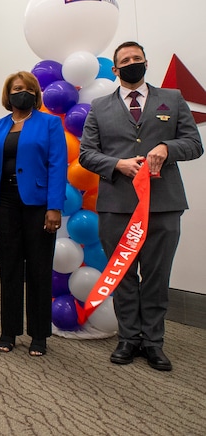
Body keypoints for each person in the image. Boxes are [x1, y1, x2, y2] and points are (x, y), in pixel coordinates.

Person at [79, 41, 203, 371]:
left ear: (146, 63)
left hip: (163, 205)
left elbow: (194, 144)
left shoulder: (172, 99)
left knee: (156, 276)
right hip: (116, 207)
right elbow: (86, 154)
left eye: (138, 58)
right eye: (126, 60)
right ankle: (128, 338)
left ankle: (153, 342)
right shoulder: (99, 107)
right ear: (115, 69)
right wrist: (117, 164)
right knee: (122, 276)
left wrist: (167, 147)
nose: (132, 62)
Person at [0, 71, 67, 357]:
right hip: (4, 204)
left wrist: (54, 207)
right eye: (18, 88)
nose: (23, 93)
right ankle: (9, 331)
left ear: (36, 94)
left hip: (39, 206)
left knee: (39, 269)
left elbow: (58, 166)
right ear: (9, 94)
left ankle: (39, 334)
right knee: (9, 268)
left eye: (29, 89)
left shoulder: (50, 123)